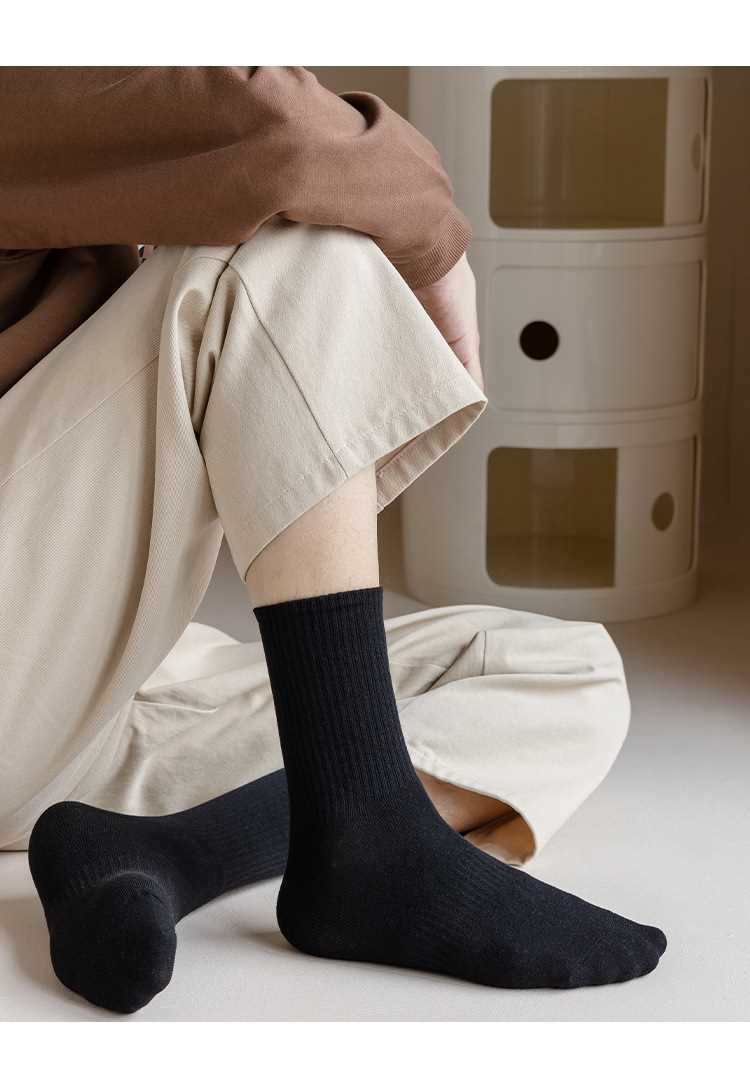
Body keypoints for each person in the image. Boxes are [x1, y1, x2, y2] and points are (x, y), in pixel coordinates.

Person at [0, 67, 665, 1014]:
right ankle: (365, 844)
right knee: (298, 244)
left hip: (54, 703)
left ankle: (173, 851)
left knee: (556, 675)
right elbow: (276, 127)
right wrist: (439, 254)